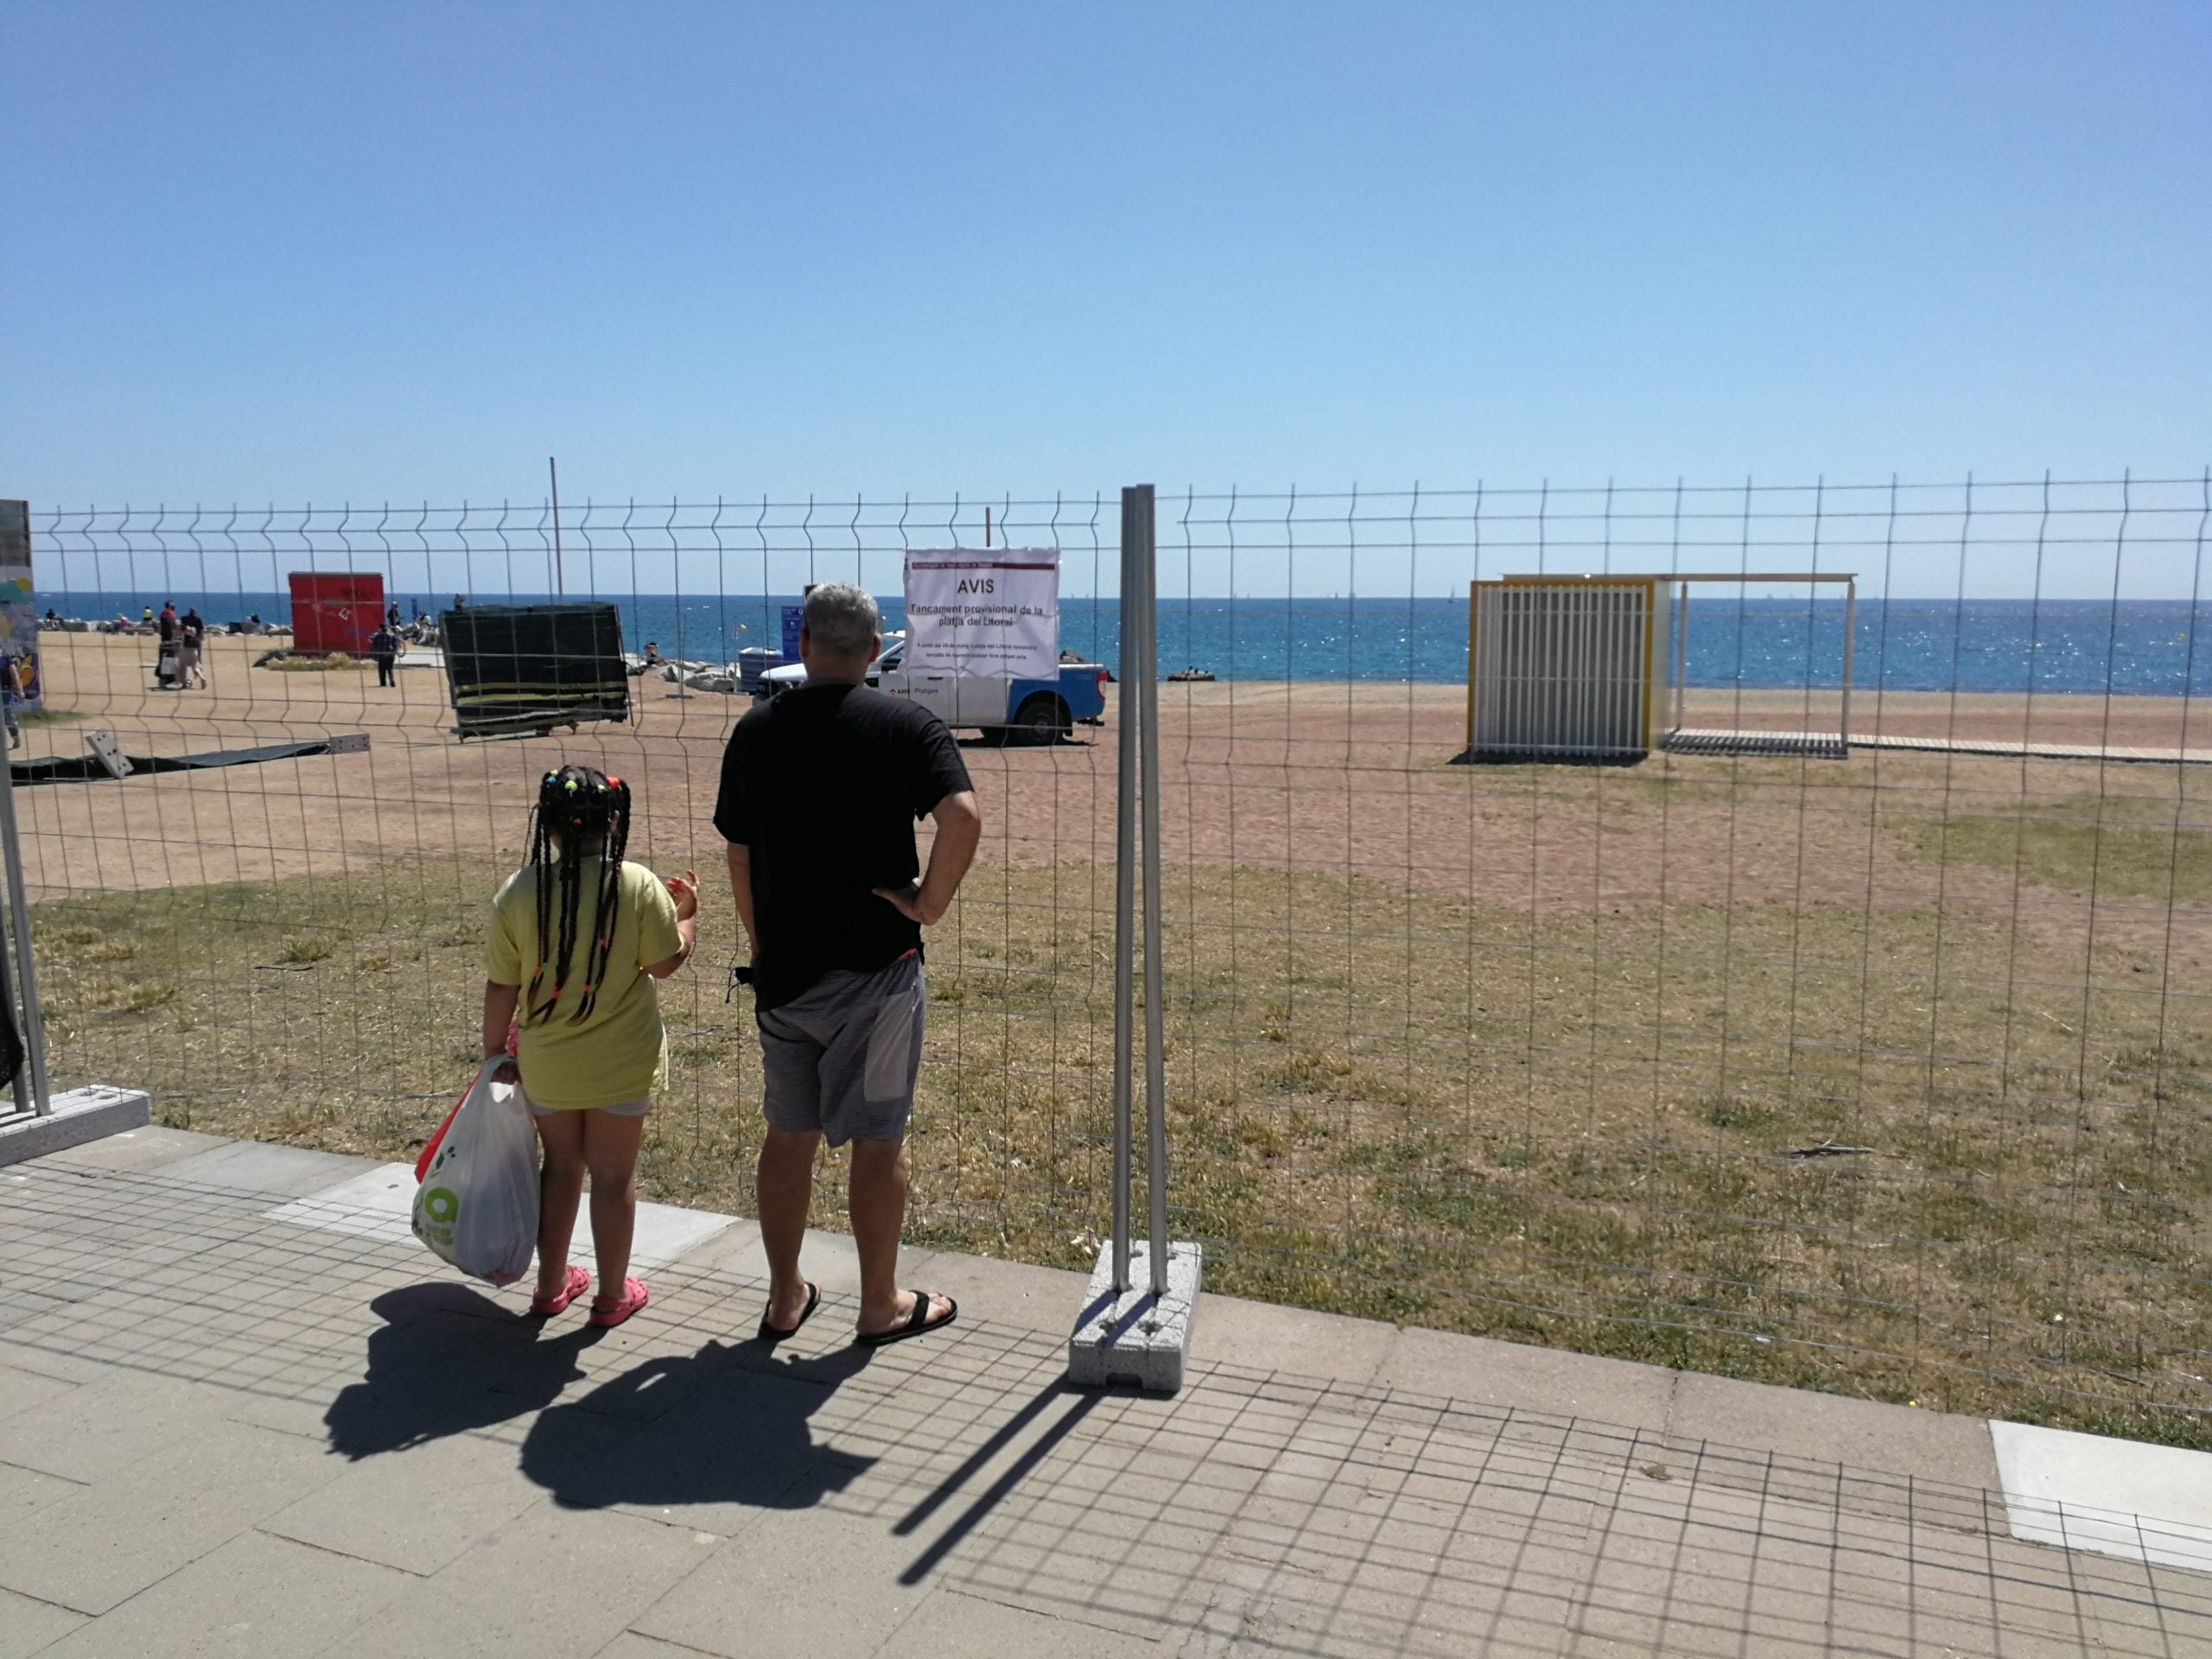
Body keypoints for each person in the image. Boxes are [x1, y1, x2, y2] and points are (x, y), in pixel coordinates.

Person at [715, 582, 982, 1347]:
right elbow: (962, 817)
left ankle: (783, 1295)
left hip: (785, 974)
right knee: (878, 1140)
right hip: (880, 972)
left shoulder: (755, 730)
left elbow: (738, 850)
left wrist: (762, 939)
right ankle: (879, 1304)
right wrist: (929, 905)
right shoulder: (906, 724)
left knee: (787, 1134)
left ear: (802, 645)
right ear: (874, 651)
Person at [483, 766, 698, 1327]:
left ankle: (551, 1287)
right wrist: (688, 917)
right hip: (622, 1063)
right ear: (616, 821)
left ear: (547, 827)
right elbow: (665, 961)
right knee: (612, 1176)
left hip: (547, 1064)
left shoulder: (519, 892)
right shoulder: (636, 884)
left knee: (559, 1168)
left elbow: (501, 983)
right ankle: (610, 1295)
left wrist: (494, 1054)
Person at [177, 608, 205, 690]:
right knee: (196, 664)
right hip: (196, 644)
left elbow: (180, 632)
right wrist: (201, 638)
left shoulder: (184, 619)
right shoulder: (198, 620)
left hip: (186, 646)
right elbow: (201, 631)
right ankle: (201, 676)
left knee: (183, 666)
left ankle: (184, 683)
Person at [0, 654, 22, 750]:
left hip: (5, 693)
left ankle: (16, 738)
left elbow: (15, 675)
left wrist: (20, 691)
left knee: (8, 718)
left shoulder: (5, 660)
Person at [368, 620, 398, 688]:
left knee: (382, 670)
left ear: (380, 628)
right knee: (390, 669)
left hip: (381, 655)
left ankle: (383, 683)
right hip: (390, 655)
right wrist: (393, 653)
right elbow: (396, 645)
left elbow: (372, 642)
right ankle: (392, 681)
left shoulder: (376, 636)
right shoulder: (392, 635)